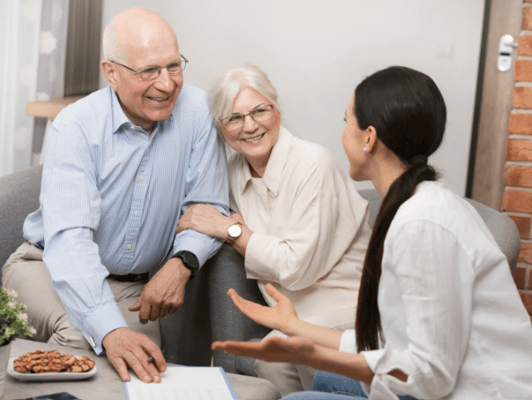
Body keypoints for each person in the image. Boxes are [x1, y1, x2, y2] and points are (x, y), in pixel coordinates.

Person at [211, 66, 532, 399]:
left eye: (346, 121)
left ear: (369, 138)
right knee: (316, 385)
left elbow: (430, 376)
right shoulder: (418, 206)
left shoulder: (422, 224)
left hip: (479, 393)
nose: (342, 133)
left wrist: (314, 355)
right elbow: (391, 342)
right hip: (437, 384)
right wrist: (295, 328)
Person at [1, 7, 229, 384]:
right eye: (148, 71)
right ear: (112, 73)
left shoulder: (197, 112)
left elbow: (208, 205)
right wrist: (109, 330)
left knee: (144, 367)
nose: (167, 84)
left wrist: (182, 262)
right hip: (45, 265)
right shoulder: (74, 127)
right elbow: (70, 243)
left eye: (174, 66)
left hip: (129, 285)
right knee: (85, 342)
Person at [174, 63, 371, 395]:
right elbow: (193, 215)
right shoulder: (232, 170)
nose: (249, 126)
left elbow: (295, 269)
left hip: (345, 308)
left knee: (277, 353)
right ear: (221, 128)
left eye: (259, 111)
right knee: (268, 356)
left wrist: (231, 230)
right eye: (234, 118)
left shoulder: (313, 163)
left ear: (276, 108)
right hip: (288, 311)